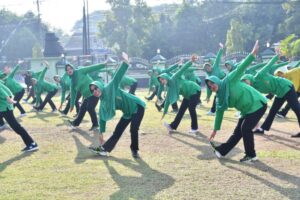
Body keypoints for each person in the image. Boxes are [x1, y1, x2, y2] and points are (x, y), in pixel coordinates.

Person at [208, 41, 268, 163]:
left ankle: (251, 155)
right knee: (238, 131)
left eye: (212, 83)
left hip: (257, 103)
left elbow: (241, 68)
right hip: (246, 110)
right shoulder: (219, 97)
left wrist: (252, 54)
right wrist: (215, 130)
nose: (211, 86)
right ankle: (222, 150)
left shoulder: (229, 80)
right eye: (209, 86)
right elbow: (219, 113)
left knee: (245, 128)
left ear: (217, 82)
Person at [89, 53, 145, 158]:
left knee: (133, 129)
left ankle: (135, 150)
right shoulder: (103, 101)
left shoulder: (110, 88)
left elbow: (117, 77)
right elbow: (102, 118)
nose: (95, 91)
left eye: (96, 88)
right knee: (117, 131)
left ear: (100, 86)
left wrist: (125, 62)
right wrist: (101, 133)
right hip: (127, 112)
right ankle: (105, 149)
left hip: (137, 106)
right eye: (92, 91)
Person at [241, 56, 300, 137]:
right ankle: (262, 129)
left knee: (296, 109)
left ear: (248, 78)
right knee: (272, 111)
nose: (245, 83)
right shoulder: (253, 88)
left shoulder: (259, 75)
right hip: (279, 92)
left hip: (286, 86)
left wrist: (277, 56)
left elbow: (269, 65)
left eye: (245, 80)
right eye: (243, 82)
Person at [160, 55, 200, 134]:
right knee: (181, 111)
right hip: (187, 95)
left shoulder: (174, 77)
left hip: (194, 89)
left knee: (191, 109)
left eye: (162, 79)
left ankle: (194, 128)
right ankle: (172, 126)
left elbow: (182, 69)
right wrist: (164, 113)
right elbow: (167, 101)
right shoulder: (170, 88)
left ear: (166, 78)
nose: (162, 81)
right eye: (160, 80)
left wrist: (191, 61)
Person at [66, 61, 106, 131]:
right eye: (67, 70)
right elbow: (72, 94)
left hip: (94, 92)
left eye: (70, 68)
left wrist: (103, 64)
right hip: (87, 96)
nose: (69, 70)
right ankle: (75, 123)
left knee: (90, 108)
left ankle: (96, 125)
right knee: (82, 109)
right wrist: (71, 105)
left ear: (73, 68)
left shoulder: (80, 71)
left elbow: (92, 68)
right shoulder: (72, 82)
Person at [0, 81, 38, 152]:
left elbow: (3, 92)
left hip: (5, 108)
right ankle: (31, 143)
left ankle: (31, 144)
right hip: (4, 107)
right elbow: (5, 86)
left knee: (16, 127)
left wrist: (9, 99)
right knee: (16, 127)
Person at [203, 43, 226, 115]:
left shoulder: (215, 66)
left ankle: (213, 111)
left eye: (208, 66)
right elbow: (208, 88)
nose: (208, 68)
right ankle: (213, 110)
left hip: (224, 80)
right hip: (219, 85)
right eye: (206, 68)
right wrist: (208, 97)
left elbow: (218, 58)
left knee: (219, 96)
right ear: (205, 70)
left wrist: (221, 49)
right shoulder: (208, 77)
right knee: (217, 96)